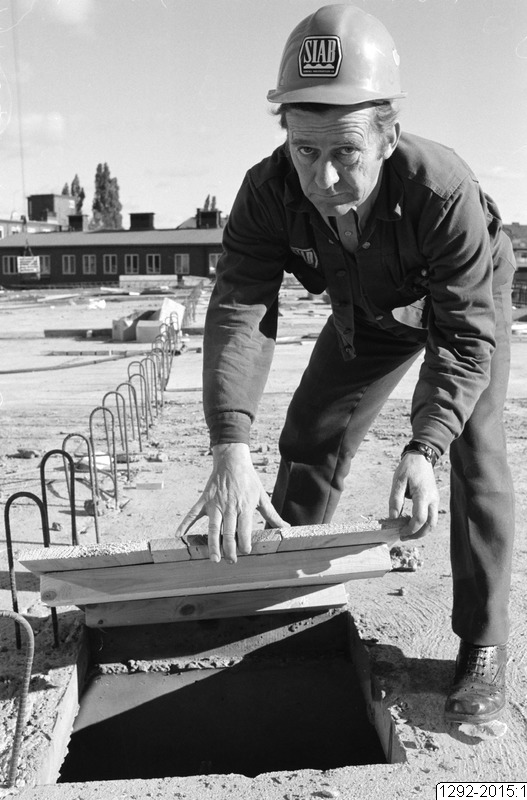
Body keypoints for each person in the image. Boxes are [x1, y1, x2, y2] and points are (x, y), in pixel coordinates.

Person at [176, 4, 516, 725]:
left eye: (346, 152)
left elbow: (463, 340)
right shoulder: (267, 193)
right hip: (370, 309)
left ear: (388, 135)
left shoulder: (442, 192)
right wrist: (229, 443)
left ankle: (483, 645)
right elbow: (239, 309)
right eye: (305, 150)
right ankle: (282, 607)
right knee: (310, 432)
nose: (324, 176)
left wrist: (424, 446)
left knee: (474, 452)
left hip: (460, 302)